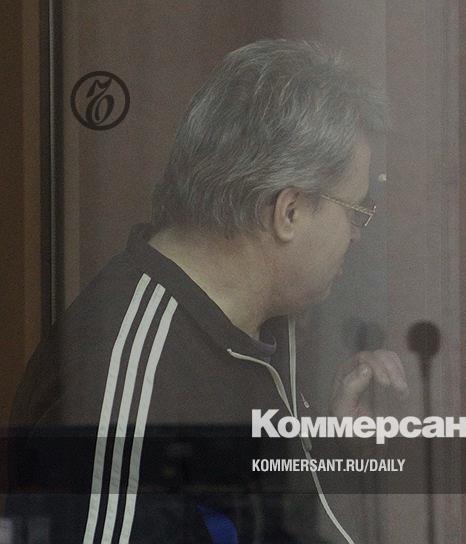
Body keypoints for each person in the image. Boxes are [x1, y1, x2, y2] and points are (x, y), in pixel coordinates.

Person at [7, 39, 406, 543]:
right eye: (356, 212)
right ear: (288, 211)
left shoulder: (247, 329)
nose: (356, 236)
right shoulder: (127, 389)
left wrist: (332, 451)